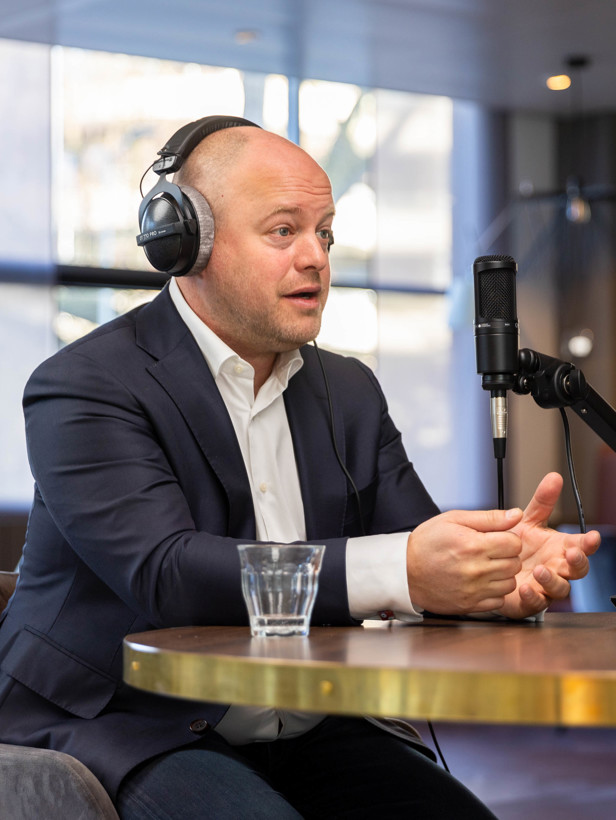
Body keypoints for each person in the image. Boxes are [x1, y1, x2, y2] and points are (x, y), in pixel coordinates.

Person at [0, 115, 599, 819]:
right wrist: (407, 567)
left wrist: (492, 572)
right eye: (284, 230)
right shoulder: (86, 383)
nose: (315, 256)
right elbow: (169, 574)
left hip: (307, 728)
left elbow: (417, 547)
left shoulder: (348, 390)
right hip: (124, 725)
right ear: (185, 242)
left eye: (325, 232)